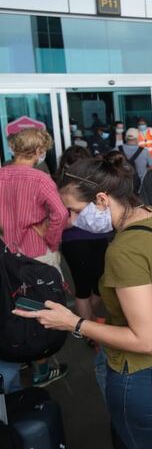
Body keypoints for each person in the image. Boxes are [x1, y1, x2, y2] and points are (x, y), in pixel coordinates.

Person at [27, 156, 152, 448]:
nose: (72, 221)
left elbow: (146, 341)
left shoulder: (124, 250)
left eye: (75, 211)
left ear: (102, 199)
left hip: (144, 373)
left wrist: (74, 322)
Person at [0, 128, 70, 387]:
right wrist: (50, 237)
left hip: (5, 252)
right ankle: (40, 366)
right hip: (36, 253)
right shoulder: (41, 179)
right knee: (41, 307)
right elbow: (61, 214)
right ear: (39, 151)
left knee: (10, 303)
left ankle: (15, 354)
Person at [56, 146, 110, 325]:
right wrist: (79, 218)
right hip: (76, 241)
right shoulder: (61, 189)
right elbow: (60, 222)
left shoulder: (96, 185)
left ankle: (90, 324)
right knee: (84, 287)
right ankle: (86, 328)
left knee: (98, 286)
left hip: (97, 238)